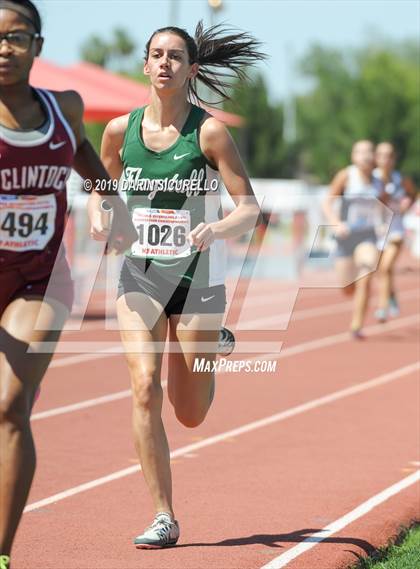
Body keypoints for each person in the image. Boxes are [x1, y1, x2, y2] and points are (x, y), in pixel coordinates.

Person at [88, 21, 264, 548]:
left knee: (189, 415)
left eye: (175, 56)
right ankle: (163, 514)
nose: (164, 63)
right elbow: (102, 189)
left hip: (197, 280)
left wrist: (217, 226)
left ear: (190, 69)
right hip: (138, 276)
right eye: (156, 55)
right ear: (145, 65)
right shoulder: (119, 131)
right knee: (145, 387)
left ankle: (214, 346)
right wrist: (101, 214)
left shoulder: (207, 133)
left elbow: (250, 208)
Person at [0, 2, 136, 566]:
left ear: (38, 45)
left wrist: (108, 193)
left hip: (40, 277)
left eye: (16, 37)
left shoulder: (65, 108)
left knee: (9, 405)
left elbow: (78, 148)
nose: (3, 48)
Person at [323, 140, 384, 339]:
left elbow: (383, 205)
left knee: (366, 276)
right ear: (353, 156)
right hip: (345, 236)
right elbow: (327, 202)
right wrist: (336, 223)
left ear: (374, 157)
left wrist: (384, 220)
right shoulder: (347, 175)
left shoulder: (378, 181)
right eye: (360, 151)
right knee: (347, 287)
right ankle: (354, 291)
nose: (365, 155)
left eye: (369, 151)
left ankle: (356, 325)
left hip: (367, 235)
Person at [373, 142, 417, 321]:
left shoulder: (400, 178)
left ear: (394, 158)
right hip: (375, 230)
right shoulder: (372, 178)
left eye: (389, 155)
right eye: (382, 155)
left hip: (396, 229)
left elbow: (412, 194)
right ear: (376, 157)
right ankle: (392, 296)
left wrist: (408, 203)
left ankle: (382, 307)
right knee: (380, 270)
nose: (386, 159)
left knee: (386, 267)